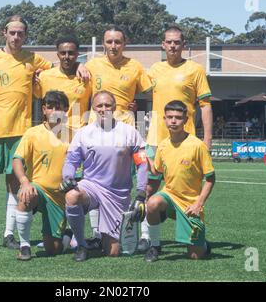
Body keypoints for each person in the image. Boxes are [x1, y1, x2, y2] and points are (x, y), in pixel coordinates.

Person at [0, 15, 82, 250]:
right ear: (4, 33)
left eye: (21, 33)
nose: (16, 37)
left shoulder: (33, 59)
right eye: (13, 32)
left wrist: (82, 65)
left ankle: (9, 235)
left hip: (21, 130)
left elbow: (62, 66)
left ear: (25, 36)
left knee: (14, 185)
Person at [139, 25, 213, 252]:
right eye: (168, 42)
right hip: (156, 140)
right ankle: (150, 240)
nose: (172, 45)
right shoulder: (154, 70)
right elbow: (135, 88)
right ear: (162, 45)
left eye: (177, 42)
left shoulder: (195, 69)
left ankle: (192, 229)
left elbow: (206, 105)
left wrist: (207, 140)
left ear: (184, 45)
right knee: (149, 190)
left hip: (185, 141)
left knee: (186, 190)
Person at [84, 25, 153, 246]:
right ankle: (97, 234)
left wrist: (137, 107)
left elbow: (149, 92)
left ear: (124, 44)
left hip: (127, 132)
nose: (113, 46)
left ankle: (142, 235)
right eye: (109, 41)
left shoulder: (135, 66)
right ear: (103, 43)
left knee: (135, 181)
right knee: (93, 181)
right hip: (98, 133)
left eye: (118, 42)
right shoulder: (91, 65)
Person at [60, 91, 148, 262]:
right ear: (93, 108)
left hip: (117, 193)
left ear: (114, 107)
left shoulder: (130, 132)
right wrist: (68, 177)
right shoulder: (83, 133)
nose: (103, 109)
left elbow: (142, 163)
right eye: (99, 105)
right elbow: (71, 161)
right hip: (91, 186)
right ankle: (80, 244)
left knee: (113, 252)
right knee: (72, 195)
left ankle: (96, 240)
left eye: (107, 105)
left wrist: (141, 193)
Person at [145, 100, 215, 262]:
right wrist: (144, 161)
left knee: (195, 256)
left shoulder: (197, 146)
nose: (173, 121)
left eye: (178, 117)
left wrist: (199, 204)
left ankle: (203, 244)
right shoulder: (162, 146)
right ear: (164, 119)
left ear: (186, 120)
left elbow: (211, 179)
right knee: (153, 203)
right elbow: (157, 171)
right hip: (169, 197)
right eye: (170, 117)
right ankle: (155, 246)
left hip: (191, 205)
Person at [12, 91, 73, 260]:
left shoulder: (74, 135)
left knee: (53, 249)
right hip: (37, 189)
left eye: (59, 108)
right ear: (44, 110)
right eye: (50, 107)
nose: (54, 111)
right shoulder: (33, 133)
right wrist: (24, 182)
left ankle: (67, 234)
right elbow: (17, 160)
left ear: (66, 110)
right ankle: (24, 246)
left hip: (59, 197)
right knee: (25, 195)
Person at [34, 36, 92, 132]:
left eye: (71, 53)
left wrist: (79, 65)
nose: (66, 57)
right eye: (63, 53)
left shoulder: (87, 78)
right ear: (58, 55)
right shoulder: (44, 76)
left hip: (77, 134)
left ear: (77, 54)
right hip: (52, 133)